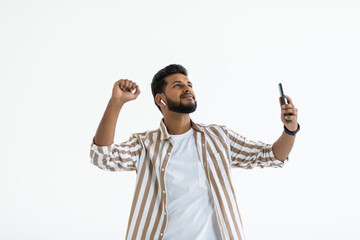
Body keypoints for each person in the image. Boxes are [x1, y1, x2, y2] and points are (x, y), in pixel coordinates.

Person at [89, 64, 299, 240]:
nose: (187, 89)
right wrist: (116, 102)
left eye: (189, 85)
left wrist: (290, 130)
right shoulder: (145, 144)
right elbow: (102, 157)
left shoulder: (218, 137)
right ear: (160, 99)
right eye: (178, 86)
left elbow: (271, 156)